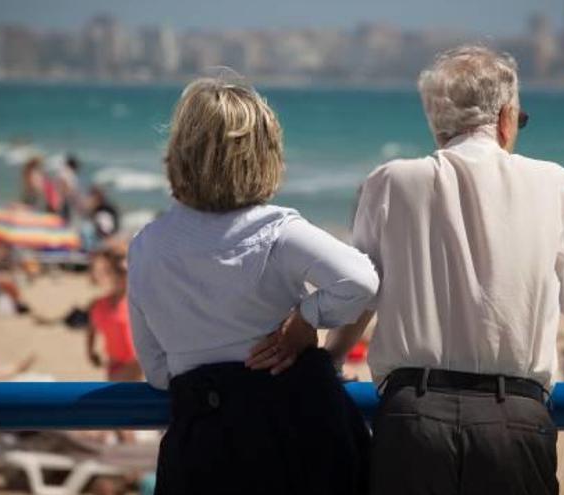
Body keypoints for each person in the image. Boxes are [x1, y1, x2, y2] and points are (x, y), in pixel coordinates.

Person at [328, 45, 564, 495]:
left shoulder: (389, 182)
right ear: (507, 116)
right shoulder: (557, 185)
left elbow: (361, 291)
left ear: (436, 120)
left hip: (413, 420)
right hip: (515, 422)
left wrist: (328, 361)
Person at [127, 77, 377, 494]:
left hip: (202, 447)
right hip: (299, 436)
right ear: (263, 157)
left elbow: (156, 372)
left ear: (180, 155)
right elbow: (362, 281)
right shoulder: (275, 231)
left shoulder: (147, 246)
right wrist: (305, 320)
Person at [86, 247, 142, 382]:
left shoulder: (138, 302)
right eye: (119, 272)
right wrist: (91, 351)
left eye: (125, 272)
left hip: (135, 364)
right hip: (113, 363)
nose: (122, 277)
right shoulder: (99, 305)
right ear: (111, 273)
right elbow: (91, 329)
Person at [57, 154, 83, 222]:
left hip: (66, 200)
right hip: (68, 200)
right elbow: (66, 187)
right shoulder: (69, 174)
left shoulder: (64, 172)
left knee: (65, 219)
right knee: (67, 219)